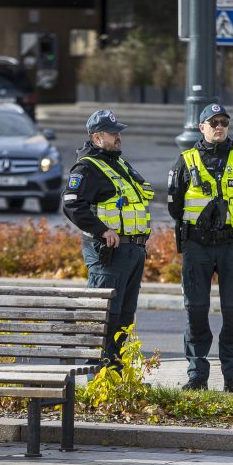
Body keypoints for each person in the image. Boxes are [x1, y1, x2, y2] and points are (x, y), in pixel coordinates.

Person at [167, 104, 233, 394]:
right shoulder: (185, 161)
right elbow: (174, 205)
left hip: (232, 245)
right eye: (213, 123)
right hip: (197, 246)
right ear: (202, 128)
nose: (219, 127)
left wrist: (230, 221)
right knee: (196, 311)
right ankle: (197, 375)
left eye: (224, 122)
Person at [62, 109, 154, 369]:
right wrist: (102, 230)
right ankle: (100, 380)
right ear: (97, 137)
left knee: (124, 318)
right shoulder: (87, 167)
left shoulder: (119, 163)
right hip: (108, 255)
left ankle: (116, 378)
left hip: (132, 252)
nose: (118, 137)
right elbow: (72, 205)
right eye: (113, 133)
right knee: (104, 318)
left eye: (118, 133)